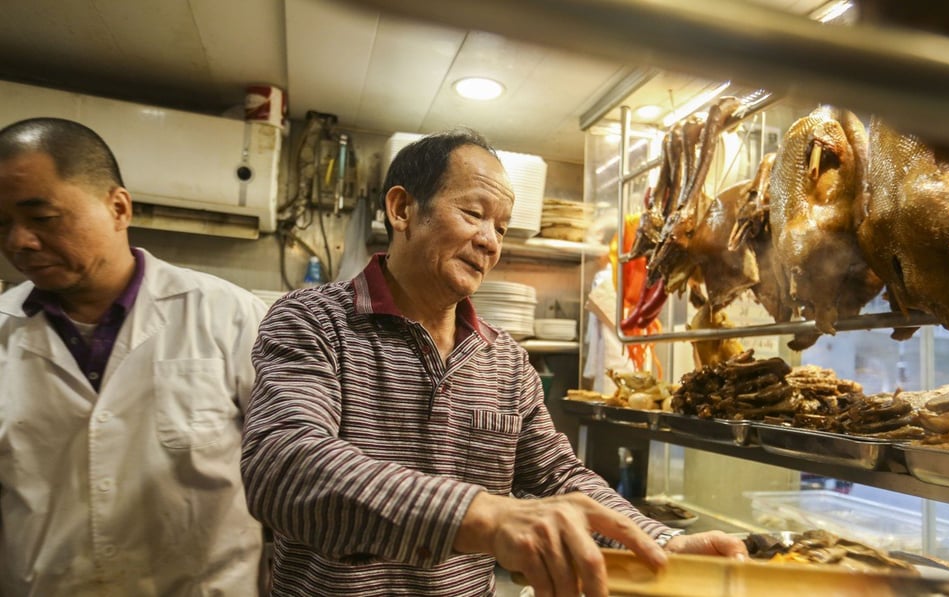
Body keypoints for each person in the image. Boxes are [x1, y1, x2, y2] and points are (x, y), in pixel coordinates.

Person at [241, 129, 747, 597]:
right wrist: (483, 516)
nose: (490, 242)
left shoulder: (504, 360)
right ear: (402, 209)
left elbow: (554, 476)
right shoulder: (313, 322)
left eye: (501, 227)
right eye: (474, 214)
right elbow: (284, 465)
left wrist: (655, 541)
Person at [0, 117, 268, 595]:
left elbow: (284, 475)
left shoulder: (230, 317)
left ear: (118, 207)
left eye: (41, 218)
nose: (18, 241)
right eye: (2, 223)